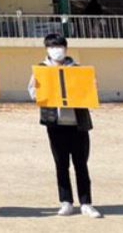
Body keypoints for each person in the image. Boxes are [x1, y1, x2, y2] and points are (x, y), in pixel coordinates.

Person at [27, 33, 102, 218]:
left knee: (81, 164)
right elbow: (33, 94)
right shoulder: (41, 69)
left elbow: (88, 94)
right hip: (55, 123)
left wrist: (92, 87)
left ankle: (86, 203)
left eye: (59, 46)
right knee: (61, 164)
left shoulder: (77, 68)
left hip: (78, 124)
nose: (56, 50)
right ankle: (66, 201)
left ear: (66, 49)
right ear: (47, 49)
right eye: (52, 47)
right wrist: (36, 89)